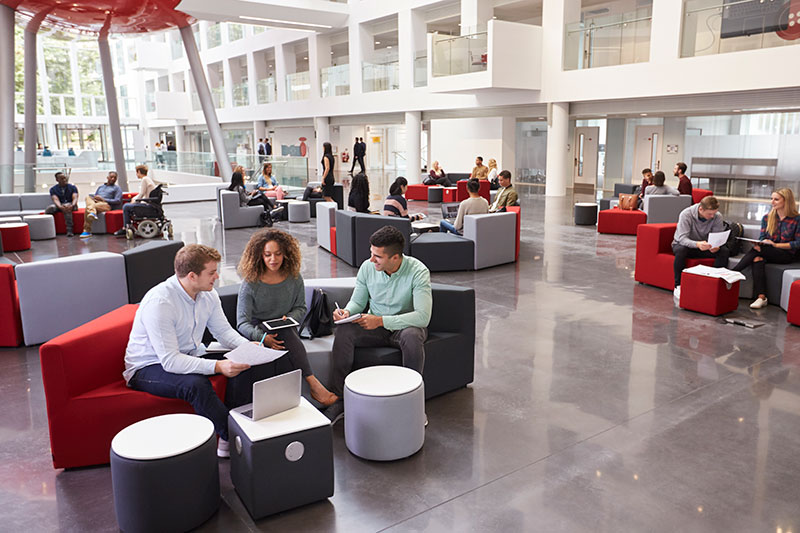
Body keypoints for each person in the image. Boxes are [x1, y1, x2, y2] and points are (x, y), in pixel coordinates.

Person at [124, 244, 288, 458]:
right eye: (211, 272)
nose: (217, 276)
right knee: (196, 384)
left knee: (244, 362)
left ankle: (230, 434)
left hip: (190, 354)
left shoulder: (207, 295)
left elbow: (224, 332)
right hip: (148, 367)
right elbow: (171, 362)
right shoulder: (161, 303)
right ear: (192, 276)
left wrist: (246, 347)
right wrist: (218, 366)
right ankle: (234, 436)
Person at [325, 225, 432, 422]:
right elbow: (358, 301)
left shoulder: (418, 271)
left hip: (405, 327)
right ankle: (339, 398)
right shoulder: (368, 268)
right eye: (371, 253)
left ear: (395, 258)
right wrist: (347, 312)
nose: (371, 259)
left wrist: (382, 321)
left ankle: (413, 404)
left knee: (412, 336)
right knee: (345, 329)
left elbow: (422, 317)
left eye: (378, 256)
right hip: (375, 327)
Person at [236, 229, 338, 406]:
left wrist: (290, 317)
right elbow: (242, 322)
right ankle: (312, 383)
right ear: (260, 255)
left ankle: (283, 403)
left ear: (286, 254)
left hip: (285, 326)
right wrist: (263, 338)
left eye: (278, 254)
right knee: (285, 338)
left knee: (285, 333)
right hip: (259, 329)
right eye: (267, 255)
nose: (273, 259)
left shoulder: (294, 277)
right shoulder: (250, 283)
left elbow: (300, 308)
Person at [732, 188, 800, 309]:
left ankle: (734, 272)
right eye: (771, 199)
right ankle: (761, 297)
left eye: (776, 199)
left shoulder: (797, 219)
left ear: (786, 201)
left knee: (759, 252)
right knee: (757, 258)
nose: (772, 202)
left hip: (786, 255)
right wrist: (760, 243)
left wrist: (775, 245)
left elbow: (797, 244)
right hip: (767, 252)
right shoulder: (767, 218)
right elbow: (762, 237)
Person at [671, 195, 730, 299]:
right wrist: (697, 244)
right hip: (684, 245)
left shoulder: (717, 216)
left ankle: (715, 284)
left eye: (714, 213)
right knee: (681, 250)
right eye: (710, 214)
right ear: (701, 209)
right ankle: (678, 285)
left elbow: (717, 235)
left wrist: (717, 246)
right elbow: (682, 239)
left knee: (724, 251)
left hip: (705, 246)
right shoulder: (686, 214)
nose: (712, 216)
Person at [115, 164, 157, 236]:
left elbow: (141, 194)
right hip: (151, 203)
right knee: (129, 205)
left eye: (136, 173)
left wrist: (134, 201)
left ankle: (126, 227)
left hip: (147, 204)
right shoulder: (148, 179)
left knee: (126, 206)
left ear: (139, 172)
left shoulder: (144, 179)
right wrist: (134, 199)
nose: (136, 174)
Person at [80, 171, 123, 238]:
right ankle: (92, 212)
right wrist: (95, 197)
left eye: (115, 178)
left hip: (106, 204)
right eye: (111, 177)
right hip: (96, 202)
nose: (113, 179)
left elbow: (117, 200)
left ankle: (87, 231)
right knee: (88, 197)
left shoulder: (117, 188)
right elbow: (95, 196)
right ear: (107, 177)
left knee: (88, 208)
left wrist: (103, 199)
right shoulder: (101, 187)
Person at [44, 172, 79, 237]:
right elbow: (55, 199)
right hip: (60, 205)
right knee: (50, 208)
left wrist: (72, 205)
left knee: (67, 207)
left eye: (65, 178)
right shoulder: (53, 189)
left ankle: (69, 230)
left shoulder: (72, 187)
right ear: (57, 180)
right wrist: (60, 207)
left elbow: (75, 197)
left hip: (72, 205)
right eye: (62, 179)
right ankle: (46, 228)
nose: (64, 180)